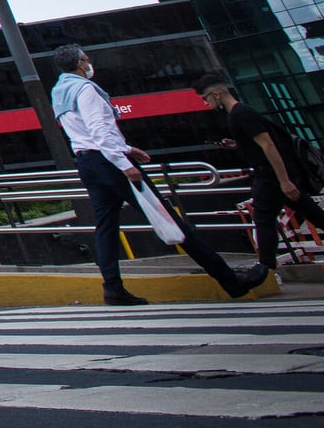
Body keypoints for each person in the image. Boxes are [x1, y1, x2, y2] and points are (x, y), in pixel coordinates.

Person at [52, 45, 267, 305]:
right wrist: (123, 161)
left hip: (87, 162)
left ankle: (112, 287)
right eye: (86, 59)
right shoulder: (85, 90)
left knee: (106, 227)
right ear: (79, 64)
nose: (89, 62)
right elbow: (98, 130)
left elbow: (82, 132)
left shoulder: (60, 91)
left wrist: (127, 148)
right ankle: (231, 282)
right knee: (169, 217)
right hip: (110, 162)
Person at [197, 76, 324, 271]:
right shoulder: (237, 114)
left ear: (216, 94)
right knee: (310, 212)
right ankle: (265, 266)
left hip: (270, 176)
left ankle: (265, 267)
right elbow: (259, 144)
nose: (205, 103)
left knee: (263, 217)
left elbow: (269, 145)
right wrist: (236, 145)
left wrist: (284, 181)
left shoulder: (241, 113)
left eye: (205, 98)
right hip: (273, 175)